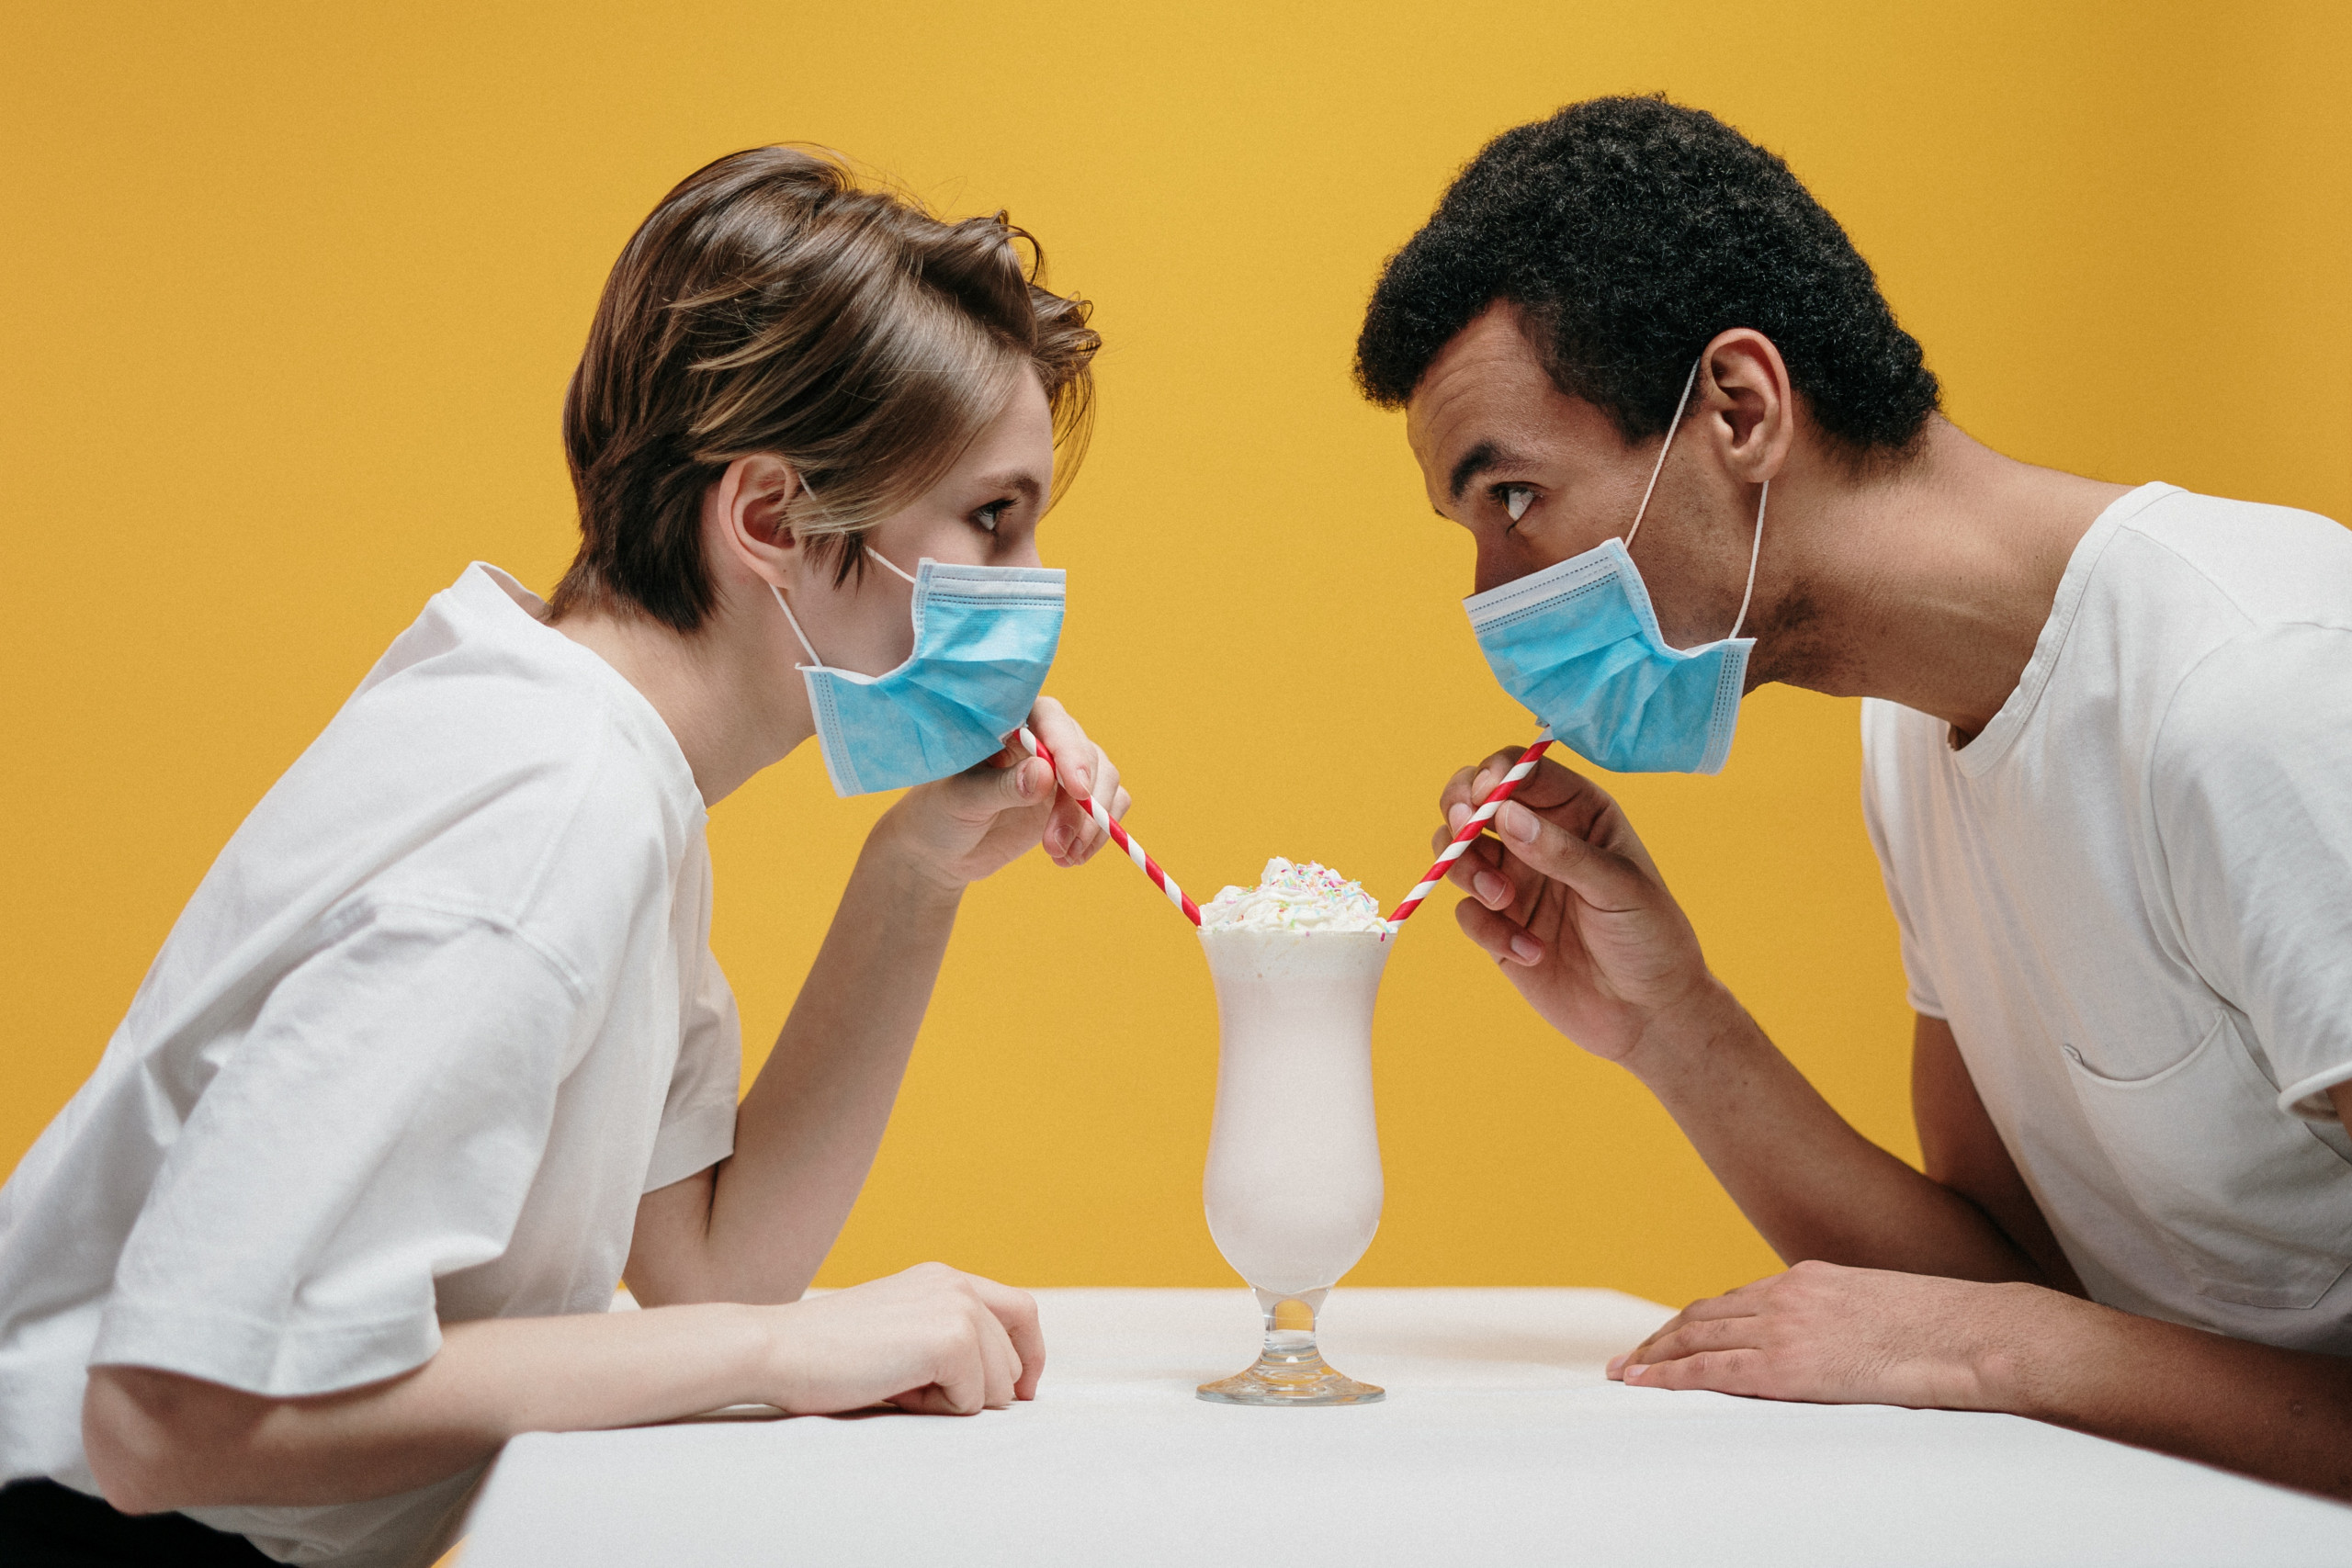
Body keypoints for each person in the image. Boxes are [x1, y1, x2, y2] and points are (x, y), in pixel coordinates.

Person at [0, 146, 1129, 1565]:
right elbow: (167, 1418)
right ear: (771, 519)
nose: (1024, 593)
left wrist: (921, 868)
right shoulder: (547, 814)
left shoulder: (604, 766)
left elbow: (713, 1263)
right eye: (989, 520)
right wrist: (776, 1357)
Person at [1354, 96, 2352, 1496]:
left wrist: (2011, 1356)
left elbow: (2007, 1332)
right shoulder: (1916, 735)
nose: (1490, 600)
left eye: (1514, 497)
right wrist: (1672, 1026)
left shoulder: (2263, 697)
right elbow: (2001, 1280)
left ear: (1739, 410)